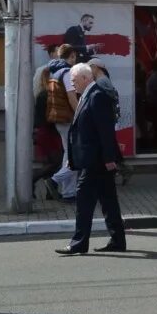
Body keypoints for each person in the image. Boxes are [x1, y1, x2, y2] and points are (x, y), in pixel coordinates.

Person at [57, 63, 126, 255]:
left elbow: (105, 130)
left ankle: (79, 242)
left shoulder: (97, 96)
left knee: (84, 198)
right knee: (108, 199)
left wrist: (109, 158)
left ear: (86, 79)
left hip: (96, 160)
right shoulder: (88, 94)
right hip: (94, 158)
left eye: (74, 81)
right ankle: (118, 240)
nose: (72, 85)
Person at [45, 45, 79, 200]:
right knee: (77, 157)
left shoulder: (54, 72)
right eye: (74, 56)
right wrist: (80, 113)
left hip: (59, 118)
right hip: (67, 118)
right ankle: (54, 180)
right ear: (71, 56)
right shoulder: (66, 73)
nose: (75, 59)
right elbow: (71, 97)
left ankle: (69, 192)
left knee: (69, 154)